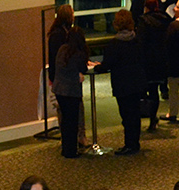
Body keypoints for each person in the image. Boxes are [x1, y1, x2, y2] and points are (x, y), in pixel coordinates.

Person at [95, 9, 147, 155]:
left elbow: (108, 64)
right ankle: (134, 143)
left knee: (126, 115)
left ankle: (129, 144)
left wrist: (97, 67)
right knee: (135, 114)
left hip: (122, 83)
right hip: (136, 81)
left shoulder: (115, 43)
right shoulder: (137, 40)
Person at [45, 6, 87, 149]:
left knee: (64, 110)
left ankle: (69, 140)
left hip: (59, 78)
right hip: (65, 78)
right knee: (71, 111)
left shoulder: (55, 34)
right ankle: (75, 138)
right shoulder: (61, 36)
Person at [53, 27, 91, 158]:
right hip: (71, 90)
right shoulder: (78, 54)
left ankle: (66, 148)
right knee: (73, 121)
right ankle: (71, 151)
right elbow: (83, 69)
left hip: (59, 89)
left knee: (65, 121)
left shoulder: (62, 49)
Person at [136, 0, 172, 133]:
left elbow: (141, 43)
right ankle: (152, 118)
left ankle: (149, 116)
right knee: (155, 91)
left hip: (147, 62)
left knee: (147, 90)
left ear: (146, 7)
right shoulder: (165, 20)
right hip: (161, 60)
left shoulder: (144, 21)